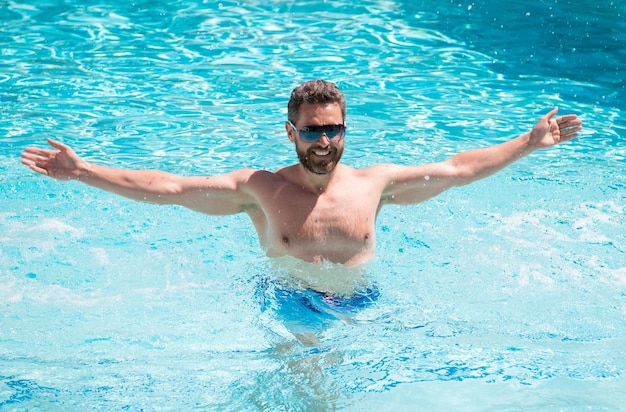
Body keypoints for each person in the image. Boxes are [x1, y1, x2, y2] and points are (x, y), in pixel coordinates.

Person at [21, 79, 582, 295]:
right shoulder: (258, 189)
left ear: (345, 129)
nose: (324, 140)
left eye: (334, 128)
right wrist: (85, 171)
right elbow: (168, 187)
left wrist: (527, 144)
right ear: (292, 132)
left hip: (365, 302)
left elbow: (458, 169)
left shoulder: (374, 185)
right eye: (313, 130)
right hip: (288, 303)